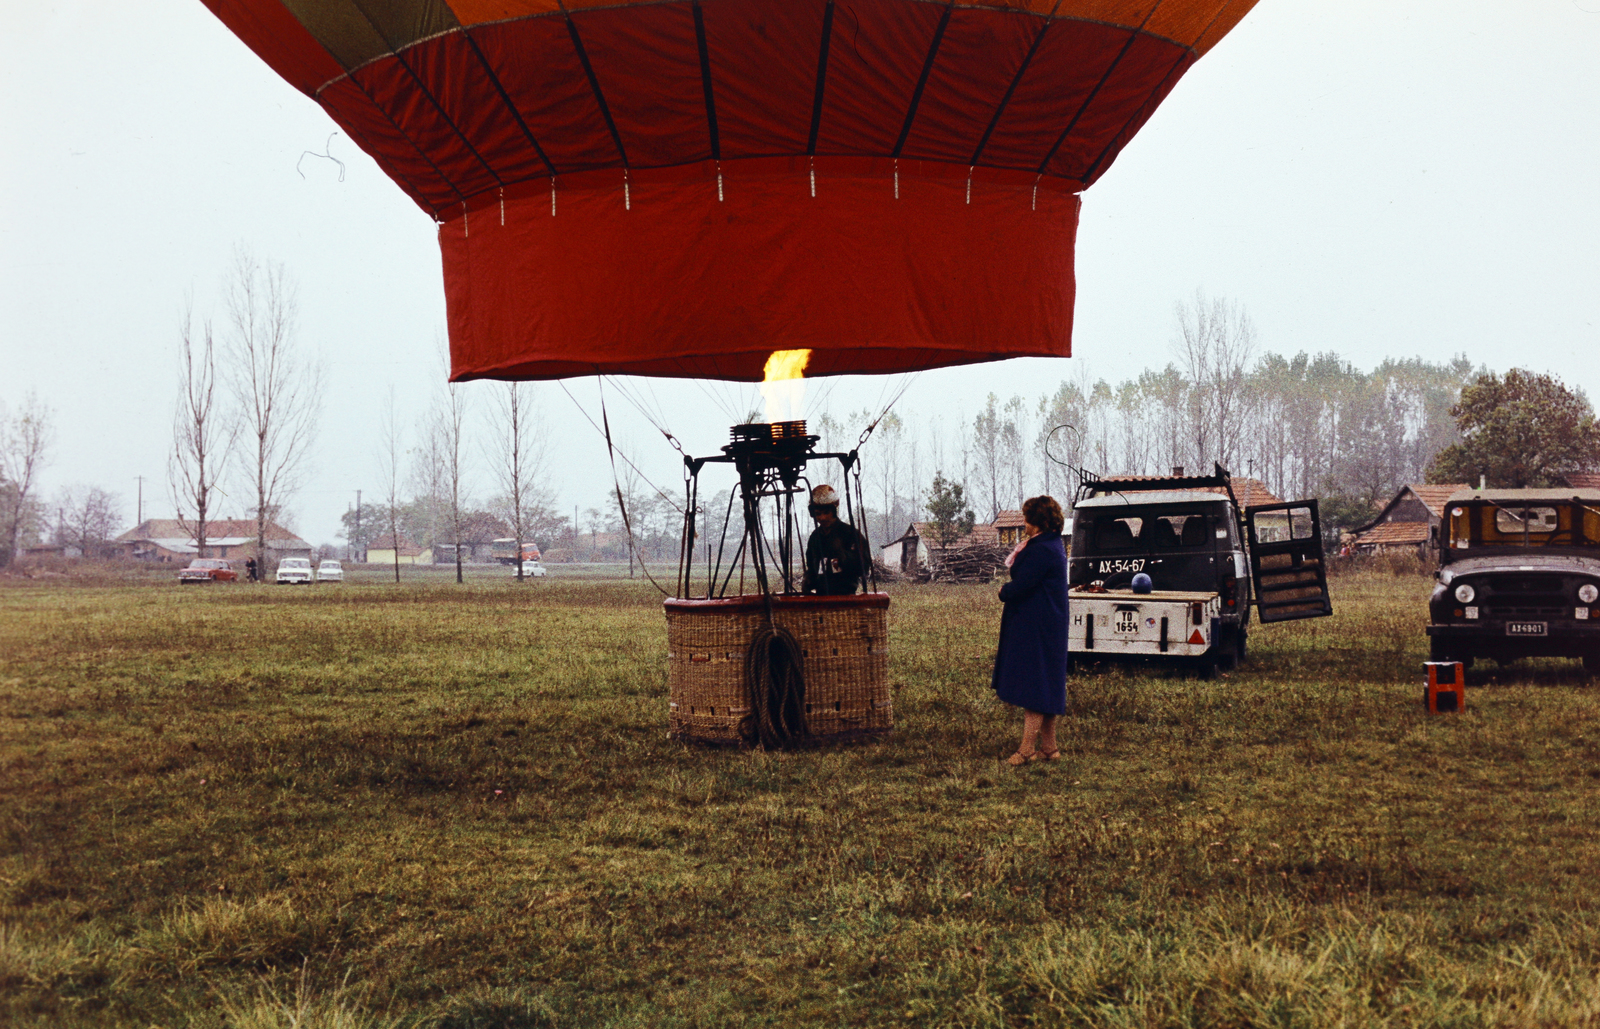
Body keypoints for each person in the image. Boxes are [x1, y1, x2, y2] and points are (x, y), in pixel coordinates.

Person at [992, 495, 1069, 765]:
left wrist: (1004, 591)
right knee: (1046, 683)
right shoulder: (1052, 544)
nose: (1024, 524)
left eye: (1027, 519)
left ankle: (1026, 750)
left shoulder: (1041, 549)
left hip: (1037, 624)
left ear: (1038, 522)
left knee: (1035, 687)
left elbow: (1024, 584)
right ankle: (1049, 748)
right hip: (1047, 622)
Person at [802, 484, 866, 596]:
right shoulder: (815, 538)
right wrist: (808, 579)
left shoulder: (850, 534)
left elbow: (863, 567)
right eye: (818, 514)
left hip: (846, 597)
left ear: (834, 511)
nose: (822, 518)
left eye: (826, 513)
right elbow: (812, 566)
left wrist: (843, 555)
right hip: (821, 597)